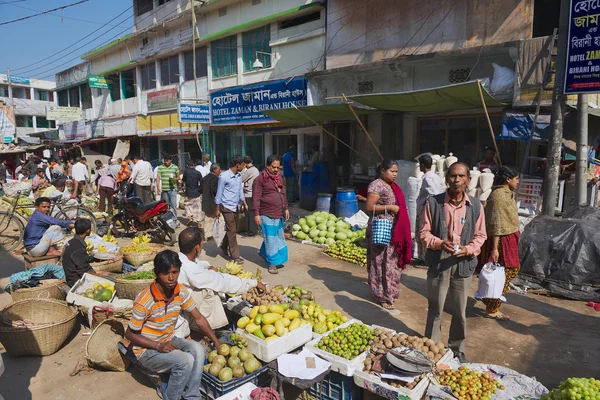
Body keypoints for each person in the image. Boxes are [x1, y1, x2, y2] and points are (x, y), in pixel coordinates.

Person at [126, 250, 220, 400]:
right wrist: (158, 346)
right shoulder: (144, 300)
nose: (171, 278)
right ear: (155, 273)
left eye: (175, 272)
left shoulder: (180, 291)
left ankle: (192, 395)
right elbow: (130, 334)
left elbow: (199, 318)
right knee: (185, 361)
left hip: (169, 339)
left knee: (198, 349)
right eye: (165, 273)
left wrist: (217, 343)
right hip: (147, 351)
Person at [419, 162, 487, 363]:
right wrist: (440, 243)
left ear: (468, 180)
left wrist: (468, 249)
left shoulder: (475, 206)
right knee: (435, 308)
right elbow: (423, 233)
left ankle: (457, 348)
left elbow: (481, 235)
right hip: (439, 262)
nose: (456, 180)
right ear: (446, 178)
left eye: (461, 176)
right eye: (452, 176)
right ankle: (431, 347)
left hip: (463, 263)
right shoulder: (434, 203)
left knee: (459, 310)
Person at [177, 227, 266, 329]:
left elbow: (196, 267)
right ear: (197, 247)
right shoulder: (193, 270)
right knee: (210, 290)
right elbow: (223, 281)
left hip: (179, 304)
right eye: (202, 243)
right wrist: (254, 283)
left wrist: (207, 268)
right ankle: (202, 328)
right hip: (182, 312)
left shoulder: (178, 259)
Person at [365, 159, 413, 310]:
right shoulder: (376, 185)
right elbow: (369, 206)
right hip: (381, 229)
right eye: (392, 171)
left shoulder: (392, 186)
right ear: (383, 171)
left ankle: (390, 292)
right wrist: (390, 206)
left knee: (391, 263)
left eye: (396, 171)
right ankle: (381, 295)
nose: (395, 174)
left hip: (393, 231)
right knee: (379, 263)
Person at [481, 166, 520, 321]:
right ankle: (492, 307)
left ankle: (491, 302)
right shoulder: (498, 196)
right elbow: (496, 223)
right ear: (508, 179)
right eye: (516, 179)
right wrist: (495, 249)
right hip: (502, 240)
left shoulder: (506, 194)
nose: (518, 182)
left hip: (509, 237)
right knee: (505, 272)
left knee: (506, 271)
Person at [252, 155, 290, 274]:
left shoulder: (280, 177)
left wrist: (286, 208)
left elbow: (283, 193)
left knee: (276, 237)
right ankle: (272, 263)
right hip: (266, 213)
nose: (276, 170)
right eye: (274, 167)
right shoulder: (260, 179)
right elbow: (256, 197)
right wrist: (257, 214)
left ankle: (264, 253)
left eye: (278, 167)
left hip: (279, 213)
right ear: (267, 166)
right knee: (270, 238)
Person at [215, 157, 247, 263]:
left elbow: (240, 191)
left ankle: (224, 246)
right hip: (226, 206)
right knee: (232, 231)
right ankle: (235, 256)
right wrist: (217, 209)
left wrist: (244, 203)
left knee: (232, 229)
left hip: (235, 206)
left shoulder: (238, 176)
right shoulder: (224, 177)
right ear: (237, 165)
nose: (244, 167)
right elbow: (219, 193)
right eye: (242, 165)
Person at [415, 155, 446, 260]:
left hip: (426, 209)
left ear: (423, 165)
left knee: (423, 233)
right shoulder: (436, 177)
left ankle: (424, 258)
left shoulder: (428, 179)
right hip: (433, 208)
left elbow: (434, 194)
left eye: (420, 165)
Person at [62, 218, 109, 287]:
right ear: (88, 231)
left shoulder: (73, 242)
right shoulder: (78, 248)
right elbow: (83, 272)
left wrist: (98, 272)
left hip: (74, 276)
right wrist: (100, 274)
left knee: (105, 273)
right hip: (76, 281)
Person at [200, 163, 221, 240]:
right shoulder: (215, 179)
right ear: (215, 170)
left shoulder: (204, 178)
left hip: (205, 201)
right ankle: (210, 234)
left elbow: (200, 189)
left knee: (207, 218)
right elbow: (216, 191)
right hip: (213, 202)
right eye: (219, 170)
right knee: (212, 218)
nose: (220, 171)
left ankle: (207, 234)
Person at [181, 159, 203, 225]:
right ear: (194, 165)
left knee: (187, 205)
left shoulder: (186, 172)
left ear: (187, 165)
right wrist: (200, 190)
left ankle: (190, 218)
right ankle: (198, 221)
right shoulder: (198, 173)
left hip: (188, 192)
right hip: (196, 192)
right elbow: (202, 183)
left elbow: (183, 180)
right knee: (198, 208)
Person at [242, 156, 259, 237]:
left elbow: (241, 179)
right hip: (255, 193)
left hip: (248, 194)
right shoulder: (256, 170)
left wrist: (242, 170)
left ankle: (251, 231)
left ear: (244, 163)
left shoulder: (249, 171)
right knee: (253, 212)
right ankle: (254, 230)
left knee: (249, 213)